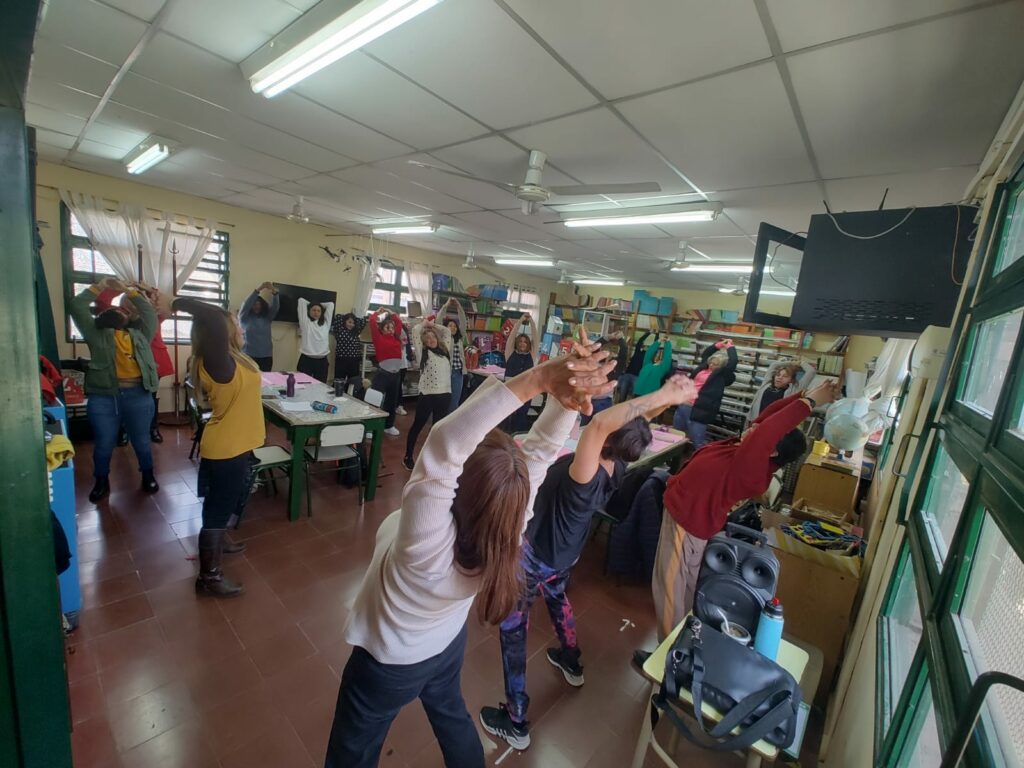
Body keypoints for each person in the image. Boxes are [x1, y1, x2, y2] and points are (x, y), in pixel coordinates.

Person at [323, 342, 617, 768]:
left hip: (389, 664)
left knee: (351, 753)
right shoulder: (509, 525)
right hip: (444, 644)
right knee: (451, 718)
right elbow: (539, 451)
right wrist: (568, 397)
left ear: (461, 485)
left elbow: (446, 441)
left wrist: (540, 378)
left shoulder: (426, 545)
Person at [480, 377, 698, 750]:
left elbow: (599, 425)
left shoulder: (587, 472)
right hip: (565, 553)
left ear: (610, 436)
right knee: (557, 597)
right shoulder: (618, 464)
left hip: (536, 556)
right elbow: (632, 423)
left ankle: (515, 720)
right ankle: (571, 659)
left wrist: (664, 394)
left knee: (513, 631)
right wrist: (665, 402)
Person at [649, 379, 839, 644]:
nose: (755, 426)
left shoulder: (751, 469)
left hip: (687, 523)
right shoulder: (746, 450)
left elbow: (767, 430)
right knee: (686, 587)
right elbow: (769, 418)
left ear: (771, 451)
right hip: (691, 520)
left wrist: (810, 403)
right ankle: (682, 644)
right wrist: (806, 394)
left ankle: (669, 652)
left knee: (669, 589)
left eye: (761, 432)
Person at [170, 294, 266, 597]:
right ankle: (209, 577)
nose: (242, 328)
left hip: (236, 442)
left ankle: (220, 538)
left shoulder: (230, 360)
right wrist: (175, 303)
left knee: (223, 500)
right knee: (218, 507)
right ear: (221, 331)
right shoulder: (219, 363)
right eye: (236, 323)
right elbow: (211, 316)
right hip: (227, 447)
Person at [69, 277, 161, 502]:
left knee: (141, 441)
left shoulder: (142, 334)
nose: (122, 311)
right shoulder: (95, 334)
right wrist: (100, 286)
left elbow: (149, 313)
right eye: (118, 309)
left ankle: (148, 474)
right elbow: (77, 306)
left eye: (126, 310)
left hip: (138, 395)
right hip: (104, 397)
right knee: (103, 443)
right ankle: (101, 480)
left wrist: (129, 291)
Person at [96, 284, 173, 445]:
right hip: (125, 363)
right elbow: (101, 301)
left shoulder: (152, 314)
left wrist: (150, 291)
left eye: (136, 299)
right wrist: (121, 287)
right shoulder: (117, 314)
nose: (133, 303)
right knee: (123, 398)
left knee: (150, 398)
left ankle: (152, 428)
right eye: (130, 299)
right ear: (123, 302)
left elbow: (168, 307)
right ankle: (124, 430)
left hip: (152, 363)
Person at [404, 318, 453, 470]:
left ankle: (433, 458)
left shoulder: (445, 351)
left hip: (445, 394)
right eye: (427, 339)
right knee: (418, 425)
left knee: (437, 428)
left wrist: (433, 325)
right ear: (424, 343)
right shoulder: (423, 353)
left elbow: (447, 331)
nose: (431, 340)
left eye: (433, 337)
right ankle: (408, 456)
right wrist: (424, 324)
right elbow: (415, 331)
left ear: (437, 338)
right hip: (428, 395)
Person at [672, 339, 739, 448]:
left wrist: (730, 347)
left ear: (721, 366)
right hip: (684, 405)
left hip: (699, 410)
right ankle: (674, 456)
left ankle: (699, 458)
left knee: (697, 441)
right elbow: (706, 353)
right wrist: (719, 345)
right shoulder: (703, 368)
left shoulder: (721, 375)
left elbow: (733, 361)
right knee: (675, 435)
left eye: (715, 364)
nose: (711, 365)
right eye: (711, 362)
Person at [745, 359, 816, 427]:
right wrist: (791, 363)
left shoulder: (794, 390)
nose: (780, 377)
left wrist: (800, 363)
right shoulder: (766, 384)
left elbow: (811, 371)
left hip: (773, 426)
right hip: (755, 422)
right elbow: (774, 365)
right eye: (778, 375)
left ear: (791, 380)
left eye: (785, 376)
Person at [369, 307, 404, 436]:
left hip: (396, 375)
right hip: (383, 374)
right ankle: (369, 428)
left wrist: (391, 312)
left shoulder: (396, 338)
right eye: (387, 327)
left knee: (391, 401)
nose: (390, 329)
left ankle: (389, 425)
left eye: (392, 327)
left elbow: (399, 322)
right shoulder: (378, 338)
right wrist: (378, 312)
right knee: (375, 400)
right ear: (382, 329)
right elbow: (372, 322)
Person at [503, 313, 539, 432]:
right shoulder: (510, 353)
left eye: (525, 342)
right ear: (516, 343)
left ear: (528, 344)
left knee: (521, 418)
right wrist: (520, 321)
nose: (522, 343)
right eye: (520, 341)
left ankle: (517, 438)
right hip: (510, 391)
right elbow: (512, 336)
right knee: (507, 418)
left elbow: (536, 338)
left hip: (525, 392)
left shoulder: (531, 355)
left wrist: (531, 321)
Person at [582, 330, 627, 424]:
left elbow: (595, 348)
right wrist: (619, 338)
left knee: (585, 427)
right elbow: (623, 353)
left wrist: (608, 337)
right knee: (596, 427)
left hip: (594, 400)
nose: (610, 353)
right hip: (599, 401)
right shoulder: (612, 367)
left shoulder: (597, 365)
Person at [239, 282, 279, 371]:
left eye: (258, 304)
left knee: (265, 379)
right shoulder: (244, 318)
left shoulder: (267, 318)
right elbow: (246, 304)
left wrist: (274, 292)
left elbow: (275, 307)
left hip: (266, 357)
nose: (256, 306)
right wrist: (259, 289)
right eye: (254, 304)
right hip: (249, 356)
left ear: (262, 305)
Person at [296, 297, 335, 382]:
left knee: (321, 386)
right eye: (313, 310)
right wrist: (313, 303)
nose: (316, 313)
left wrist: (317, 304)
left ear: (322, 312)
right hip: (306, 360)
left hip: (322, 361)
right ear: (309, 311)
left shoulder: (326, 324)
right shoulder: (305, 323)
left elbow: (331, 304)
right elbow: (301, 301)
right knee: (303, 385)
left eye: (318, 311)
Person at [331, 310, 367, 396]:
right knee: (339, 380)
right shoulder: (339, 330)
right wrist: (348, 316)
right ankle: (337, 396)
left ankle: (351, 398)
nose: (351, 325)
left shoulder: (356, 331)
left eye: (353, 323)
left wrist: (354, 320)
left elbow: (363, 321)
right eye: (349, 322)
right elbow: (338, 317)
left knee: (353, 382)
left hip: (354, 360)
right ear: (344, 321)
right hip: (341, 360)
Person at [442, 298, 469, 411]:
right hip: (446, 373)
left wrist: (459, 307)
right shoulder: (443, 338)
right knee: (444, 399)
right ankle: (442, 419)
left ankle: (451, 420)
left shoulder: (459, 339)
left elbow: (463, 322)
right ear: (445, 328)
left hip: (458, 373)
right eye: (450, 325)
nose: (453, 327)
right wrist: (446, 305)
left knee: (455, 400)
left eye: (454, 326)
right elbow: (438, 320)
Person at [617, 329, 653, 400]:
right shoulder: (637, 352)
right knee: (622, 396)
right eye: (645, 347)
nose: (646, 348)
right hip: (628, 375)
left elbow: (655, 346)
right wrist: (649, 333)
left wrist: (657, 335)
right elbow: (640, 341)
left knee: (634, 398)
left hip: (637, 377)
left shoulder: (649, 358)